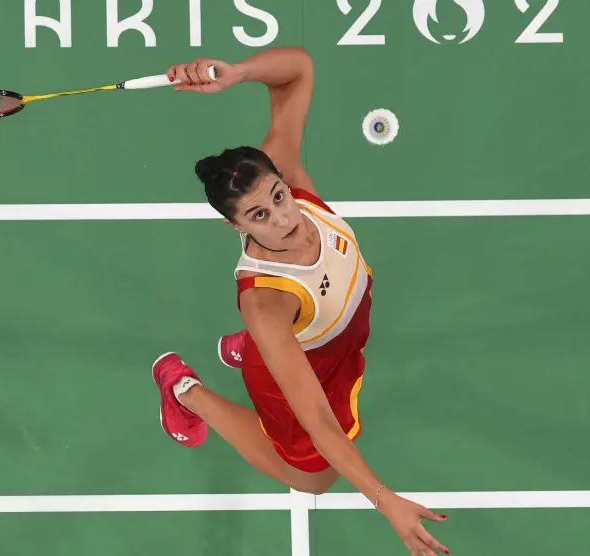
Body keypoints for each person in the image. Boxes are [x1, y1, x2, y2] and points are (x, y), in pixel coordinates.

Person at [151, 46, 450, 556]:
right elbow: (317, 419)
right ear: (235, 226)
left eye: (278, 198)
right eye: (258, 217)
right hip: (305, 358)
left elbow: (298, 71)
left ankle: (251, 351)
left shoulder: (288, 177)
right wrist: (385, 499)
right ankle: (181, 388)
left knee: (304, 366)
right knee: (312, 479)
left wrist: (237, 73)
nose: (283, 219)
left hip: (333, 333)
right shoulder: (266, 304)